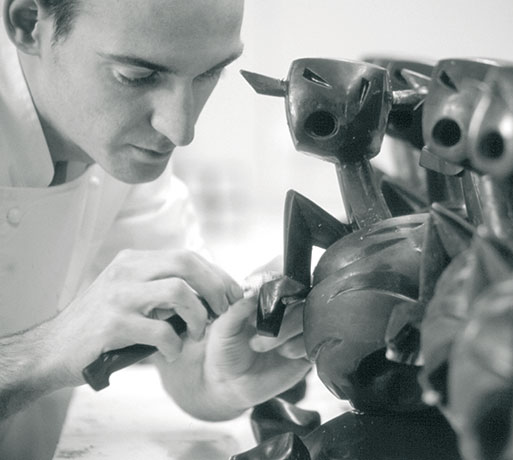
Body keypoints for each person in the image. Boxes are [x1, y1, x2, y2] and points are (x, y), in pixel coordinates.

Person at [0, 0, 310, 458]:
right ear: (29, 24)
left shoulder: (116, 152)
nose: (180, 129)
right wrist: (44, 354)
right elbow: (55, 351)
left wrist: (219, 373)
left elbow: (177, 349)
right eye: (137, 76)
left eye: (210, 73)